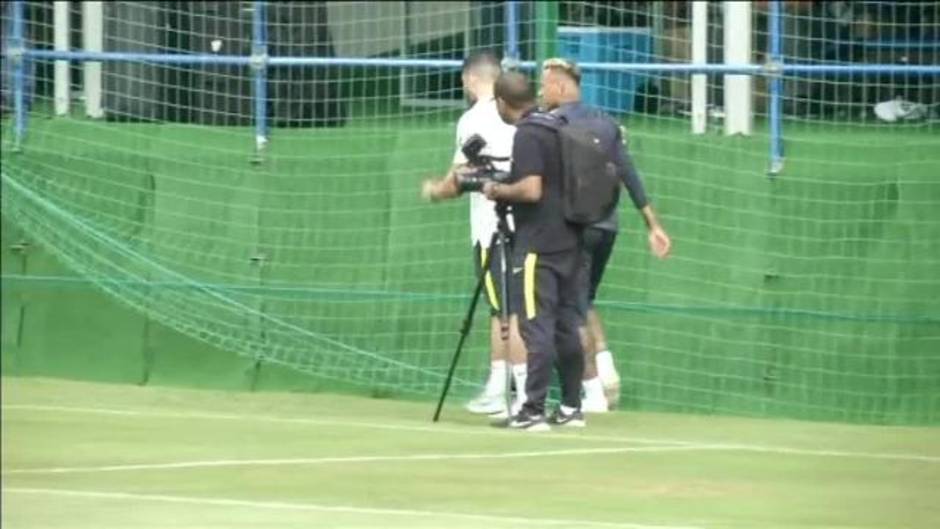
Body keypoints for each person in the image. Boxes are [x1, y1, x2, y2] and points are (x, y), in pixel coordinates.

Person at [539, 58, 672, 413]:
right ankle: (606, 363)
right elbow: (629, 175)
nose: (541, 91)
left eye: (545, 85)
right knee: (584, 298)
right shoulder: (606, 123)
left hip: (573, 228)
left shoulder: (553, 125)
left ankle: (592, 389)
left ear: (562, 87)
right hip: (607, 227)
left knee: (570, 309)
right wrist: (653, 225)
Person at [421, 51, 528, 419]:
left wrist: (435, 190)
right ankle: (500, 386)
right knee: (508, 309)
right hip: (529, 224)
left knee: (507, 313)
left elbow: (458, 179)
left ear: (470, 78)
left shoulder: (474, 119)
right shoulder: (523, 114)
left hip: (492, 229)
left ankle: (517, 394)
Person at [483, 71, 587, 432]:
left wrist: (497, 191)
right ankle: (572, 406)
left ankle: (533, 410)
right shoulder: (557, 125)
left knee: (536, 325)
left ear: (500, 102)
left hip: (538, 244)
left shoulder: (528, 133)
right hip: (570, 238)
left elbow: (530, 190)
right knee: (565, 326)